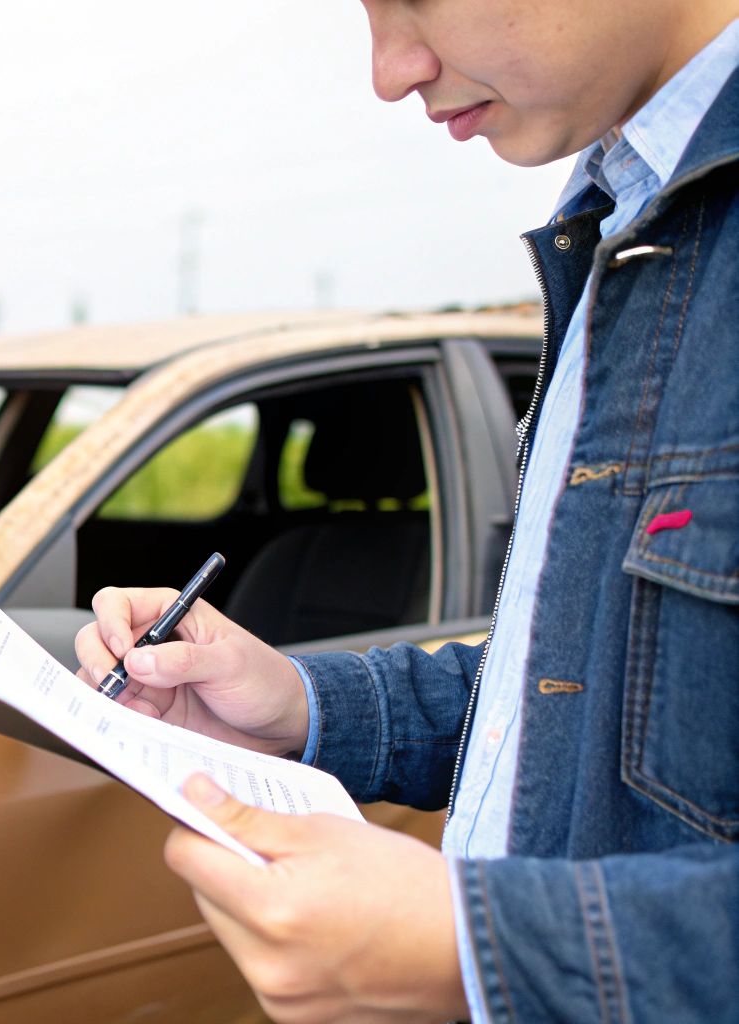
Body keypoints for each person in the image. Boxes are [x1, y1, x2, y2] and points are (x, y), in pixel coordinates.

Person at [75, 1, 739, 1020]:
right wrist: (298, 705)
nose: (389, 70)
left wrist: (479, 946)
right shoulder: (623, 224)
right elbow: (586, 689)